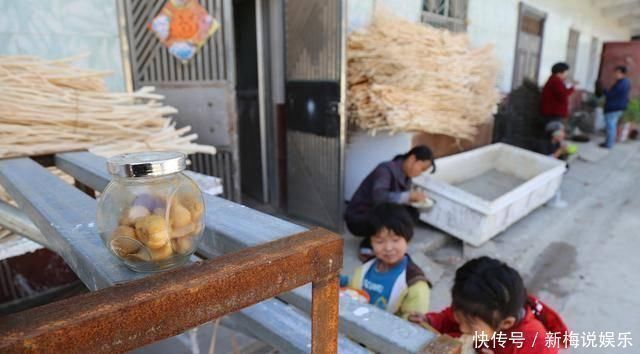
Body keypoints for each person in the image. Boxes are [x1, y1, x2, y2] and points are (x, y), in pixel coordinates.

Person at [409, 257, 568, 354]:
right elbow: (448, 317)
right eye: (460, 319)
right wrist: (430, 321)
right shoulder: (471, 310)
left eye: (471, 326)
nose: (463, 329)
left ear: (506, 323)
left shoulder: (536, 343)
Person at [344, 145, 436, 261]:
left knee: (412, 214)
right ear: (413, 159)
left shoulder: (407, 178)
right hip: (359, 217)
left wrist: (414, 199)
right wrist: (409, 196)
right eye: (421, 169)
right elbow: (379, 197)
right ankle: (368, 243)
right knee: (392, 215)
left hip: (378, 213)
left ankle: (386, 239)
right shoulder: (385, 169)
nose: (420, 173)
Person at [341, 203, 431, 319]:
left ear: (407, 240)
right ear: (371, 242)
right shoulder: (368, 267)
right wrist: (339, 281)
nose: (388, 248)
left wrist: (411, 318)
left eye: (395, 240)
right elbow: (355, 287)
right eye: (379, 241)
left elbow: (414, 326)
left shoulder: (414, 284)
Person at [540, 62, 578, 133]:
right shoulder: (556, 81)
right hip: (554, 114)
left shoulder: (555, 80)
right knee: (555, 135)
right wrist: (572, 87)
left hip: (552, 113)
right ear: (560, 72)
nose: (566, 75)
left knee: (553, 135)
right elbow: (563, 96)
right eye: (566, 72)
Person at [600, 66, 632, 149]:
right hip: (618, 107)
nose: (615, 74)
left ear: (622, 73)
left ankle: (609, 144)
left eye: (617, 72)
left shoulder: (621, 83)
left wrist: (603, 90)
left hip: (614, 107)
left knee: (611, 126)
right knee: (612, 126)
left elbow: (610, 94)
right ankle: (609, 142)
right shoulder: (625, 82)